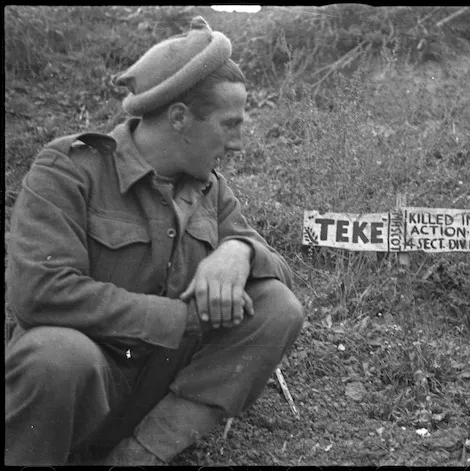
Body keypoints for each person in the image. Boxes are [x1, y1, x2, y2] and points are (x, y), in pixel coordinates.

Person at [4, 16, 304, 466]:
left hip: (155, 396)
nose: (239, 143)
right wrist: (179, 319)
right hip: (75, 391)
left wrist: (237, 250)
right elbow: (39, 293)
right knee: (57, 355)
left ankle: (138, 457)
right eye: (229, 124)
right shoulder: (69, 169)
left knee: (277, 305)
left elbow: (279, 270)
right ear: (180, 118)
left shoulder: (208, 187)